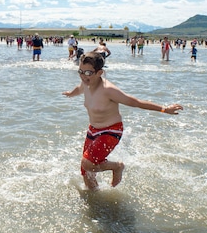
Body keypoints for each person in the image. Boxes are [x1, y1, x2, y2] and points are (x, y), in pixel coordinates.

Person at [62, 52, 183, 190]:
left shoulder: (109, 90)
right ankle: (96, 199)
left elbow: (135, 102)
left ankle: (117, 166)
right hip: (93, 130)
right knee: (86, 173)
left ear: (99, 72)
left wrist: (164, 109)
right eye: (80, 71)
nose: (83, 76)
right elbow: (79, 88)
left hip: (111, 130)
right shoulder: (86, 83)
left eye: (88, 72)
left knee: (87, 163)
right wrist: (71, 94)